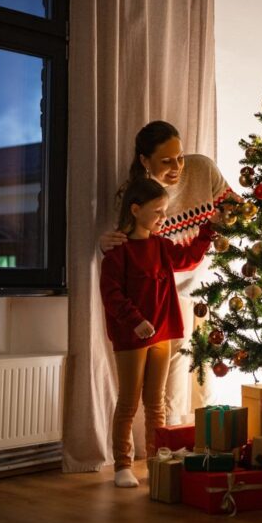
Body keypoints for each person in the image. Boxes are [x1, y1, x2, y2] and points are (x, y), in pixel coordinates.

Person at [100, 121, 235, 426]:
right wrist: (103, 242)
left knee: (205, 376)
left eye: (180, 157)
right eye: (166, 161)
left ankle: (195, 443)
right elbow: (125, 250)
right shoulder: (135, 197)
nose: (176, 167)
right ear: (144, 161)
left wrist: (232, 218)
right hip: (164, 295)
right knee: (167, 381)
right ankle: (165, 443)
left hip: (205, 284)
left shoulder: (202, 169)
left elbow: (235, 210)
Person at [99, 177, 216, 487]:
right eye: (158, 212)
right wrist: (135, 320)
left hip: (162, 334)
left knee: (157, 403)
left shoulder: (161, 245)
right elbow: (112, 295)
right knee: (128, 402)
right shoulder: (118, 252)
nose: (163, 218)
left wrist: (209, 229)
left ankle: (155, 460)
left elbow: (189, 259)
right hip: (131, 337)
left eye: (165, 211)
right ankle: (123, 464)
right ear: (135, 210)